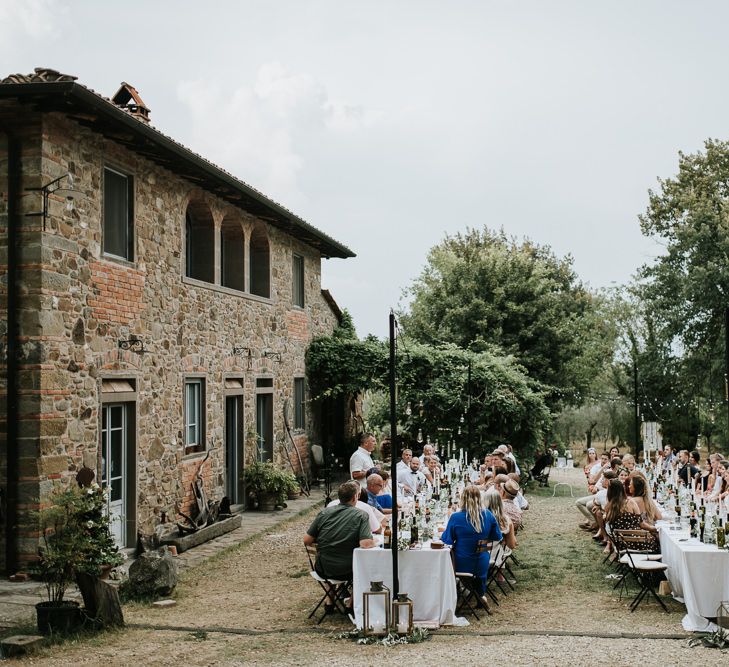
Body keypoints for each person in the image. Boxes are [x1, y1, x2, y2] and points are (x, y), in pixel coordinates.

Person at [304, 481, 375, 582]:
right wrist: (374, 541)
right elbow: (366, 544)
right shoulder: (361, 515)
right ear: (355, 497)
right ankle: (353, 598)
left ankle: (333, 595)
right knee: (370, 567)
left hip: (323, 569)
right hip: (349, 570)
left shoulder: (324, 513)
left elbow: (306, 540)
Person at [441, 485, 502, 597]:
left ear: (463, 499)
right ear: (480, 498)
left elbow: (447, 540)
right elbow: (497, 537)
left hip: (462, 563)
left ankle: (454, 592)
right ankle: (479, 593)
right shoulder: (488, 515)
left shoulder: (456, 517)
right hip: (482, 562)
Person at [604, 478, 659, 553]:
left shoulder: (608, 507)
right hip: (639, 543)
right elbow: (642, 525)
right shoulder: (630, 502)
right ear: (622, 489)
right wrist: (656, 529)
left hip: (621, 545)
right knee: (656, 538)